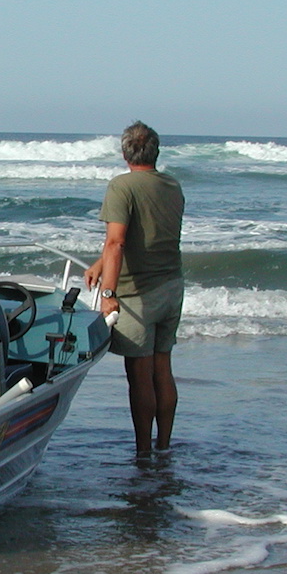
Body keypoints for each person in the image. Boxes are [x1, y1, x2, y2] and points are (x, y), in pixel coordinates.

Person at [85, 121, 185, 456]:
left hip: (137, 293)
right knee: (163, 369)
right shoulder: (172, 185)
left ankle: (143, 452)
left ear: (125, 152)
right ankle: (164, 445)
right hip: (171, 285)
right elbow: (146, 234)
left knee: (139, 377)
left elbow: (117, 241)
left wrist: (109, 294)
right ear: (155, 151)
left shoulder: (122, 186)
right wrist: (100, 265)